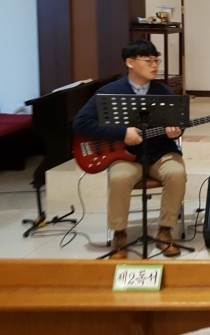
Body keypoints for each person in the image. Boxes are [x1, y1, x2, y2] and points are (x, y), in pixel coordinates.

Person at [72, 39, 187, 259]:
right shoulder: (109, 92)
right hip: (125, 157)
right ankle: (119, 233)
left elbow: (177, 125)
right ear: (130, 63)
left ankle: (165, 231)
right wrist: (121, 133)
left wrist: (176, 131)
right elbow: (80, 124)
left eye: (156, 60)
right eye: (148, 60)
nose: (154, 65)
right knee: (119, 177)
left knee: (177, 173)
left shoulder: (164, 91)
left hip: (160, 154)